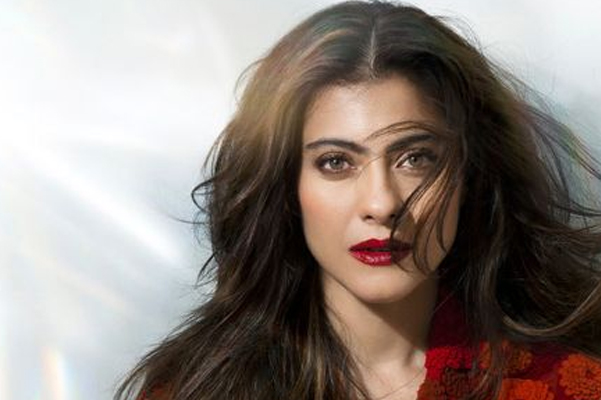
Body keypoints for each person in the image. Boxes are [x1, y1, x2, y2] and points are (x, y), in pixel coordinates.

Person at [115, 1, 601, 399]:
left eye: (415, 158)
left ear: (468, 176)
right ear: (287, 186)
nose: (382, 204)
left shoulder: (565, 387)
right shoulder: (196, 391)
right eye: (335, 162)